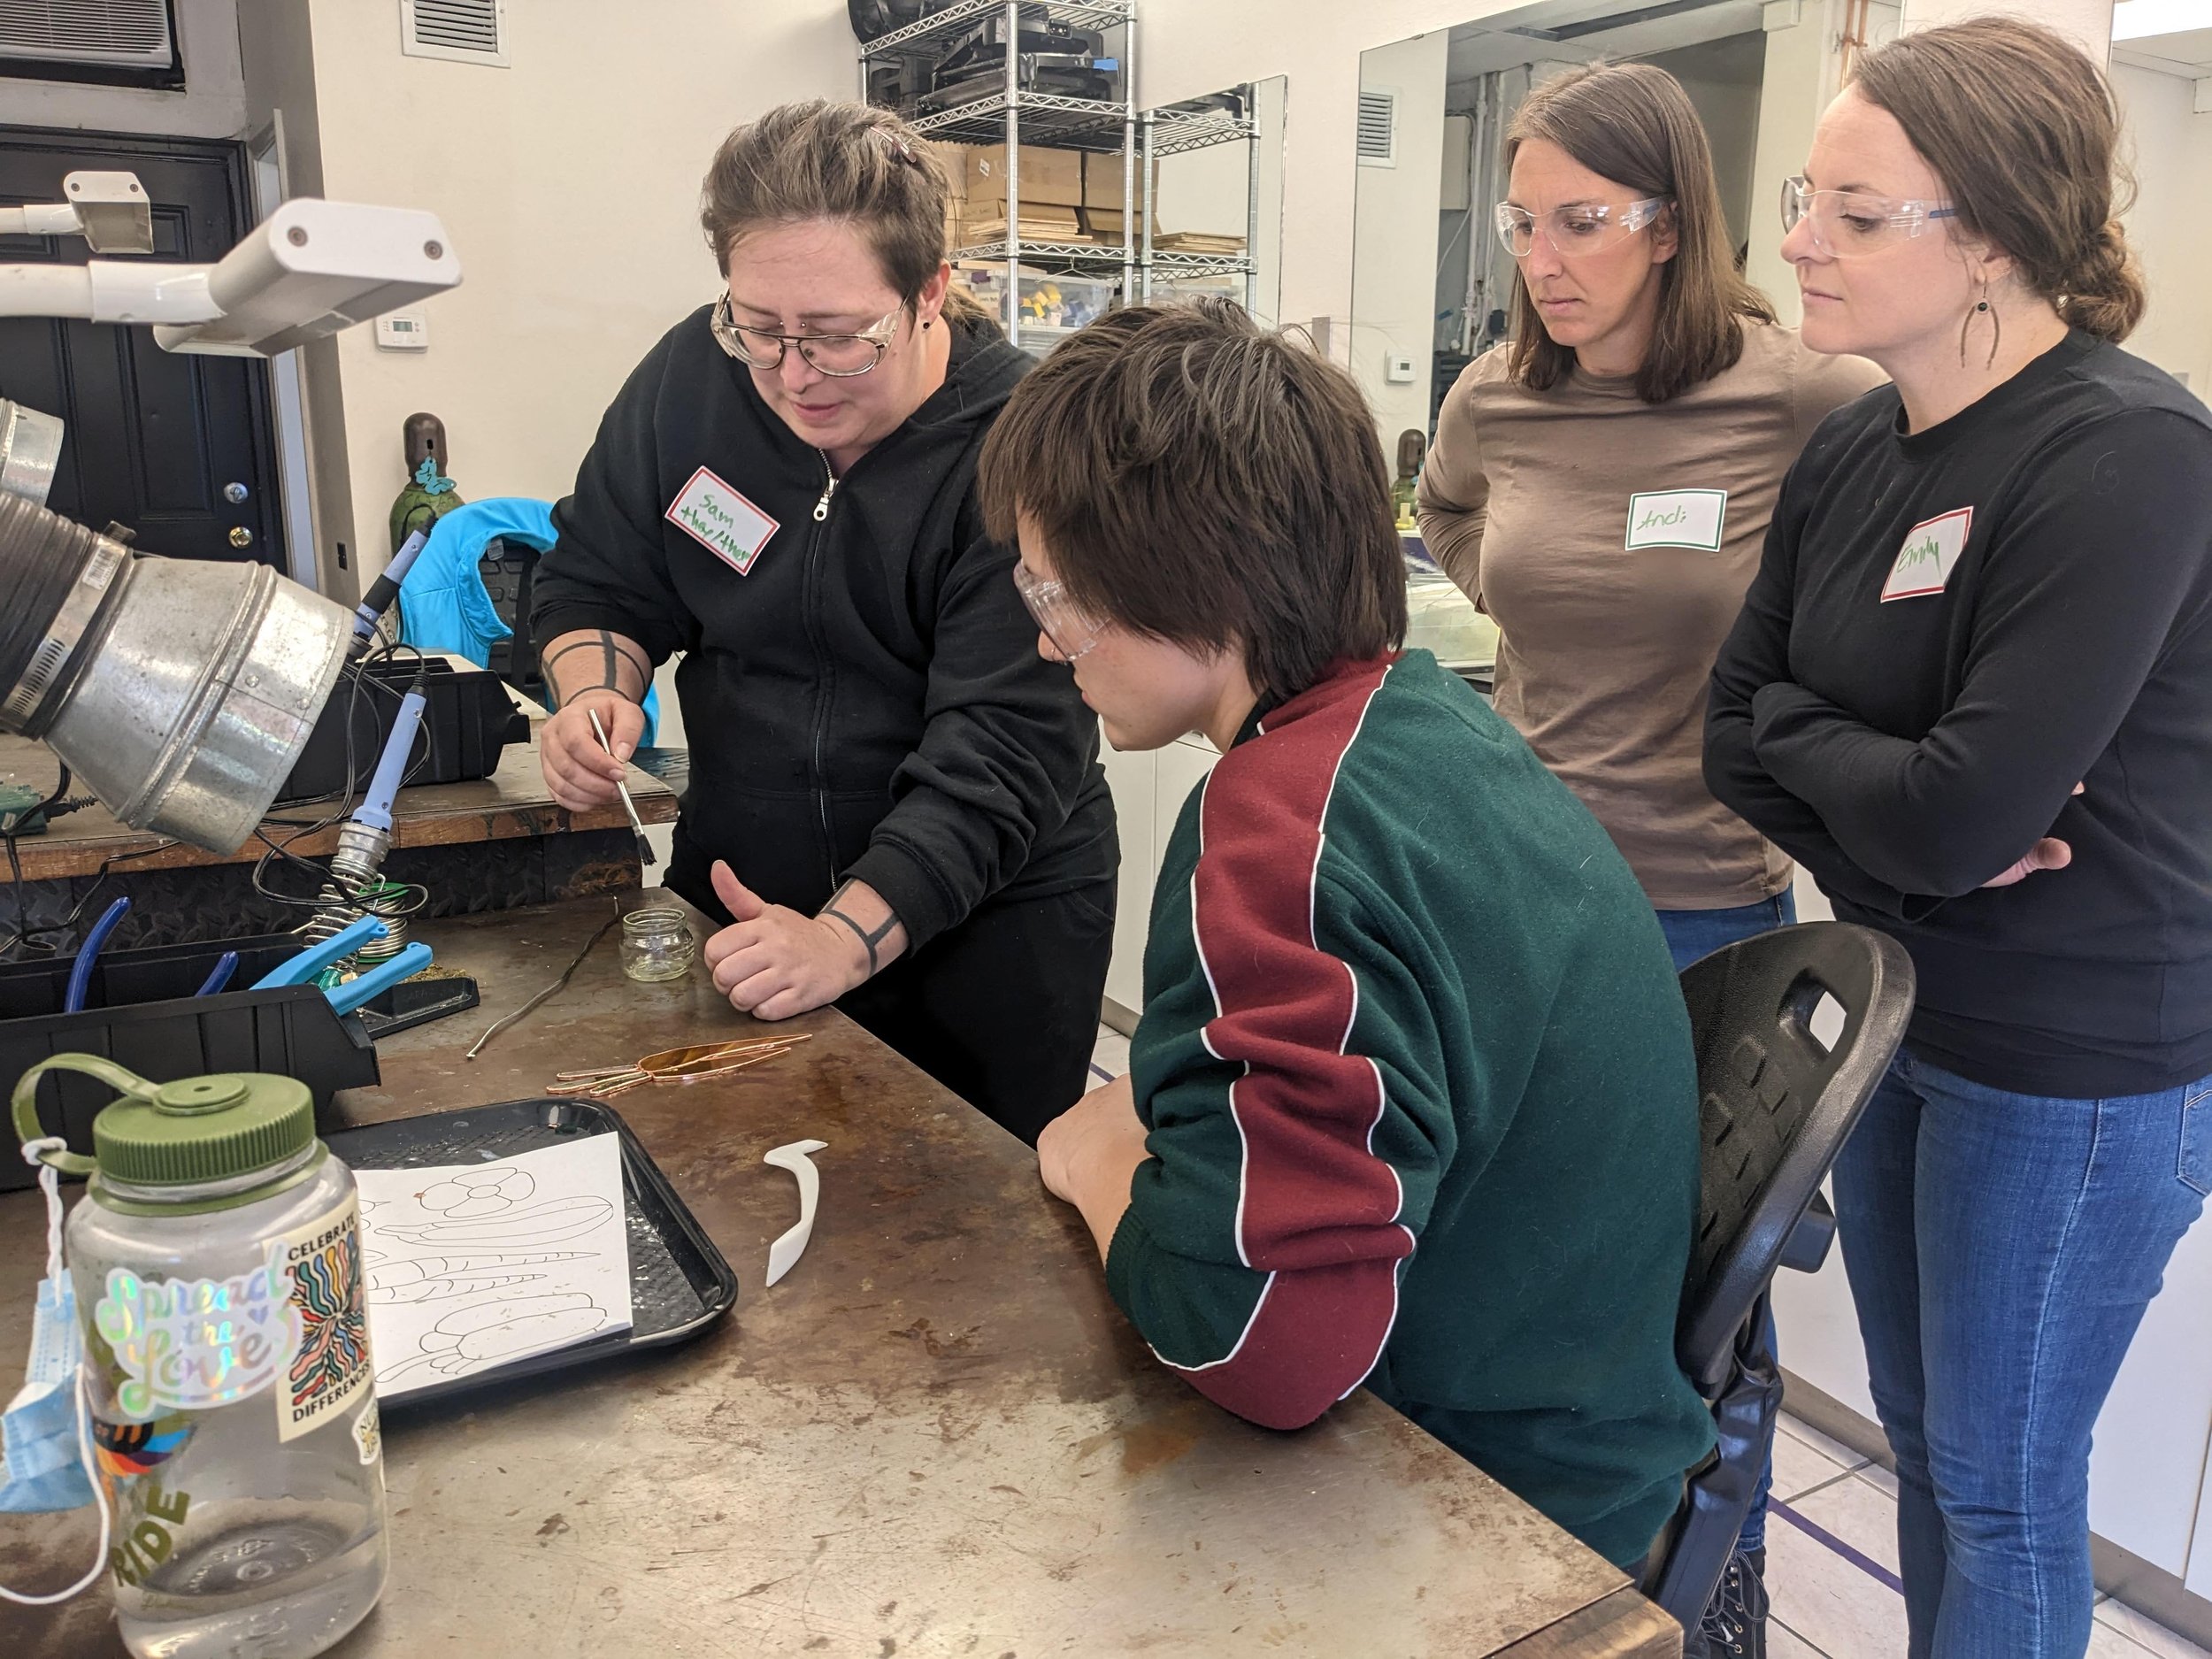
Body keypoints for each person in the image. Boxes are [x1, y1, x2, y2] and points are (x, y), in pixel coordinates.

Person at [979, 299, 1715, 1572]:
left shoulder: (1277, 827)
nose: (1047, 637)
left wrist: (1096, 1162)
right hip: (1587, 1419)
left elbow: (1261, 1344)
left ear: (1187, 574)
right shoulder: (1425, 723)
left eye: (1057, 591)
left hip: (1495, 1505)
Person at [1703, 19, 2212, 1657]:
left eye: (1856, 214)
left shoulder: (2125, 456)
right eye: (1808, 199)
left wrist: (1882, 785)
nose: (1796, 242)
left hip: (2075, 1064)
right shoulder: (1857, 442)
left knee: (2000, 1488)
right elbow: (1732, 729)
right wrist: (1889, 790)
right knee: (1933, 1453)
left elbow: (1967, 809)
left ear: (1989, 236)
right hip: (1907, 1005)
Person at [1414, 63, 1884, 1644]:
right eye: (1524, 223)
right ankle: (1501, 1571)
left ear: (1671, 226)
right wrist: (1544, 603)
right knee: (1507, 1263)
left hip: (1697, 915)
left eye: (1584, 223)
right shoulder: (1501, 396)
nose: (1544, 259)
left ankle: (1703, 1586)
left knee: (1680, 1313)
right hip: (1522, 899)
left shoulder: (1800, 393)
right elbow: (1453, 514)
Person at [530, 101, 1117, 1144]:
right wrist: (594, 692)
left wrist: (842, 942)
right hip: (742, 904)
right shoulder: (689, 383)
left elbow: (1001, 752)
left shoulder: (1023, 448)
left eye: (839, 338)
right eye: (759, 329)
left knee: (963, 1255)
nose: (793, 377)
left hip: (981, 933)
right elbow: (604, 577)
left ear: (930, 291)